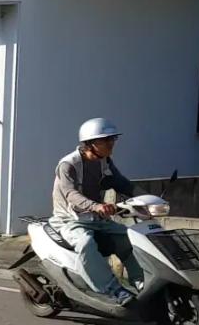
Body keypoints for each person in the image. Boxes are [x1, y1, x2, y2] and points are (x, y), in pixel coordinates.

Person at [51, 117, 143, 305]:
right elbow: (71, 194)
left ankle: (141, 283)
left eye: (113, 139)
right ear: (90, 143)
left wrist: (148, 198)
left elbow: (121, 182)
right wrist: (97, 206)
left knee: (132, 237)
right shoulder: (68, 164)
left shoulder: (104, 161)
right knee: (85, 244)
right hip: (70, 219)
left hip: (96, 218)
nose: (111, 143)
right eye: (106, 140)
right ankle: (113, 290)